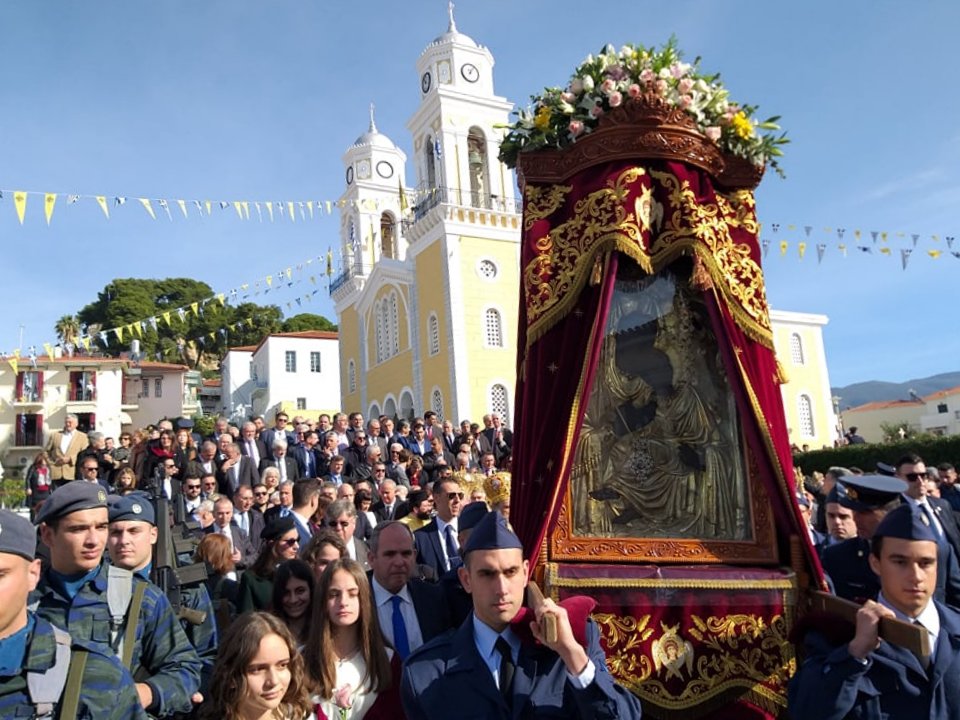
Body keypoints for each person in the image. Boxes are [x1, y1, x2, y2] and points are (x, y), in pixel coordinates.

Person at [401, 511, 642, 719]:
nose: (502, 588)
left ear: (526, 573)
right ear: (466, 579)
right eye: (487, 574)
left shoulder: (573, 641)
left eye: (511, 572)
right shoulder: (425, 671)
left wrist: (572, 655)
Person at [31, 482, 202, 717]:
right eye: (79, 529)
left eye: (101, 527)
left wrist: (144, 693)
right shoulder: (25, 600)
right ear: (48, 535)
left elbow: (186, 668)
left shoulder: (139, 597)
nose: (94, 540)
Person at [789, 504, 960, 718]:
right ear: (876, 564)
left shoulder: (955, 629)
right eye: (900, 562)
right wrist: (854, 655)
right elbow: (808, 713)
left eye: (926, 563)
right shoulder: (838, 635)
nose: (916, 576)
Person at [0, 509, 148, 719]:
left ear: (33, 574)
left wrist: (151, 692)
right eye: (79, 529)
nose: (93, 540)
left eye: (0, 575)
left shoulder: (95, 679)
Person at [106, 492, 219, 700]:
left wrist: (192, 690)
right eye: (115, 532)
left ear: (153, 535)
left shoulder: (187, 588)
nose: (124, 540)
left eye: (134, 531)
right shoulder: (97, 588)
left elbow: (207, 653)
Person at [303, 559, 401, 720]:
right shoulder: (302, 660)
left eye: (352, 594)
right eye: (334, 594)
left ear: (364, 600)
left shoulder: (388, 661)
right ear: (323, 602)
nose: (343, 602)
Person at [201, 611, 314, 720]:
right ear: (230, 675)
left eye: (282, 665)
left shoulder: (298, 715)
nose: (274, 681)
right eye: (258, 669)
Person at [368, 522, 451, 659]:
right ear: (371, 558)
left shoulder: (433, 598)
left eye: (406, 554)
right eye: (390, 554)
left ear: (414, 556)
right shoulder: (356, 600)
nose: (399, 562)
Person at [238, 516, 303, 613]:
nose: (296, 546)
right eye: (290, 542)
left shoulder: (303, 571)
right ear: (273, 544)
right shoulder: (252, 579)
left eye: (297, 540)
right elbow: (245, 619)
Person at [414, 477, 463, 578]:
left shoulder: (471, 531)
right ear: (436, 498)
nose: (457, 500)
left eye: (460, 495)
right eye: (451, 496)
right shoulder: (420, 537)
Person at [271, 559, 314, 648]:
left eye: (300, 591)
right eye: (286, 593)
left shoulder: (324, 627)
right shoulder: (269, 630)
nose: (293, 600)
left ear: (311, 590)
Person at [326, 499, 371, 571]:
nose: (338, 528)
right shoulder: (319, 553)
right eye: (333, 524)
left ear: (354, 523)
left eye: (344, 523)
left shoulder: (368, 550)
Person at [46, 413, 89, 485]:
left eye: (70, 422)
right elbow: (46, 451)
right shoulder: (55, 435)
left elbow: (84, 454)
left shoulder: (83, 437)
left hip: (73, 473)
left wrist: (70, 459)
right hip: (56, 474)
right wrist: (51, 462)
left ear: (76, 424)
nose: (68, 424)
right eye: (66, 422)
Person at [24, 449, 53, 520]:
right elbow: (28, 478)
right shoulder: (33, 468)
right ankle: (33, 524)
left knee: (45, 510)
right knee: (34, 511)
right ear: (38, 463)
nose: (44, 466)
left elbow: (50, 480)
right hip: (35, 493)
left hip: (45, 493)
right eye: (42, 464)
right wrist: (28, 488)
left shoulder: (48, 469)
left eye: (45, 464)